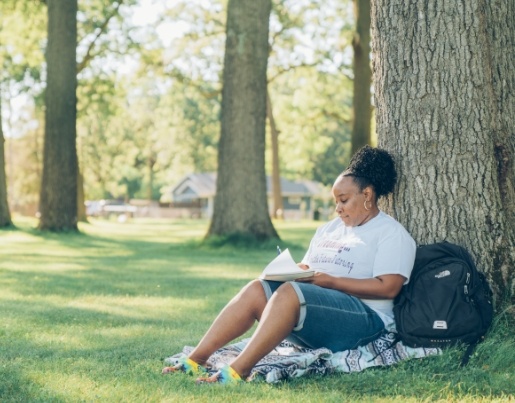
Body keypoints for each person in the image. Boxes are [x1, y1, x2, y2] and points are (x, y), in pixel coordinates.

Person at [162, 145, 416, 384]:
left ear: (367, 195)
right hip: (315, 313)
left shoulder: (390, 233)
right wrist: (297, 271)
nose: (337, 208)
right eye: (335, 201)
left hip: (365, 322)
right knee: (257, 289)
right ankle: (196, 359)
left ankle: (238, 371)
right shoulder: (328, 229)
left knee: (290, 294)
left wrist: (331, 282)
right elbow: (307, 268)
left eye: (344, 200)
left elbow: (388, 287)